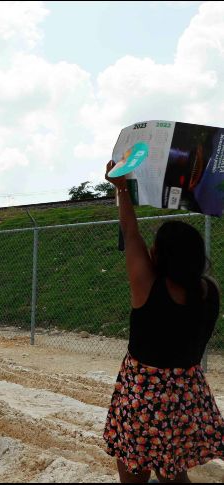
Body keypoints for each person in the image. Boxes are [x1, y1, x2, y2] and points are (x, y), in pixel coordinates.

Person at [103, 160, 224, 483]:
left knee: (134, 474)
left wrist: (121, 189)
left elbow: (131, 233)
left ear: (160, 256)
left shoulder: (149, 288)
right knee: (174, 473)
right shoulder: (209, 291)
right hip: (186, 396)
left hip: (143, 398)